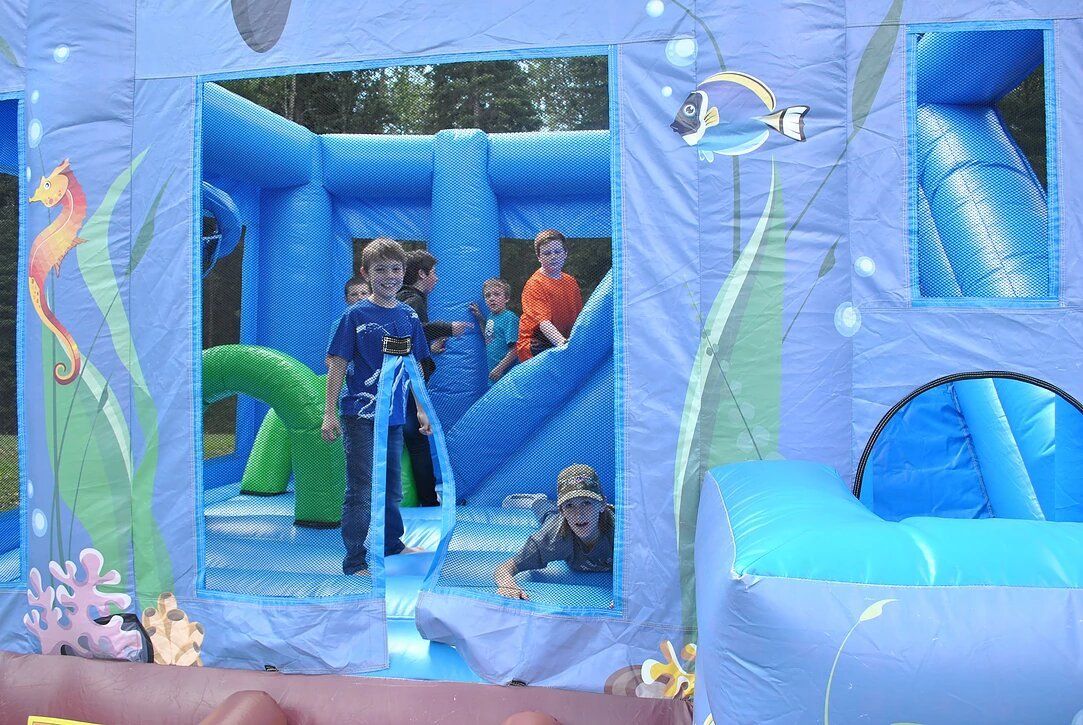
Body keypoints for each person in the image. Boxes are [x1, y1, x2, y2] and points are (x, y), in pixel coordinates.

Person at [322, 238, 430, 576]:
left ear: (404, 272)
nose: (389, 276)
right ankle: (355, 560)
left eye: (395, 269)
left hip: (393, 416)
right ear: (366, 273)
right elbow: (338, 363)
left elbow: (413, 366)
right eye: (380, 270)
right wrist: (329, 412)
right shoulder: (355, 316)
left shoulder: (408, 316)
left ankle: (392, 544)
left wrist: (421, 409)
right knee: (362, 488)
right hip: (360, 414)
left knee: (391, 486)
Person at [396, 249, 470, 507]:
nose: (436, 278)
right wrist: (448, 328)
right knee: (417, 439)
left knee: (411, 437)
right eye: (434, 273)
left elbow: (409, 339)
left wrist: (430, 348)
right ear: (421, 274)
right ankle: (427, 499)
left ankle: (422, 496)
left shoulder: (407, 298)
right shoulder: (413, 299)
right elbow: (414, 332)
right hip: (407, 382)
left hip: (402, 380)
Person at [494, 464, 615, 600]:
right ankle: (537, 501)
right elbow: (505, 568)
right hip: (556, 520)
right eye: (569, 505)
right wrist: (507, 585)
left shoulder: (623, 533)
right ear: (562, 511)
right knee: (548, 515)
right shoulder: (553, 537)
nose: (579, 514)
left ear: (602, 504)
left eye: (586, 503)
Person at [516, 229, 583, 362]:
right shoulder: (535, 284)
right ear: (539, 257)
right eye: (547, 253)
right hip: (536, 342)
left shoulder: (570, 282)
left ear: (565, 253)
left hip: (562, 338)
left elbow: (578, 316)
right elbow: (543, 323)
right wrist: (563, 344)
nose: (553, 256)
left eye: (557, 252)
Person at [469, 277, 519, 385]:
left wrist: (499, 368)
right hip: (495, 376)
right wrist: (480, 318)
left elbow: (515, 349)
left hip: (508, 377)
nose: (492, 298)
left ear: (506, 298)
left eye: (497, 294)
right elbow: (488, 337)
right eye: (487, 296)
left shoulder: (509, 318)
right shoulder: (491, 317)